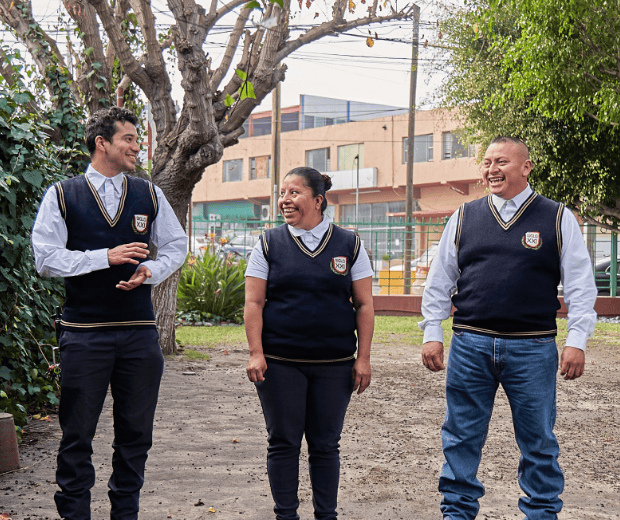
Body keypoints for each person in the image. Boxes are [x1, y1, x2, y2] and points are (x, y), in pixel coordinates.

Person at [420, 136, 598, 520]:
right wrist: (432, 331)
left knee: (538, 442)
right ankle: (457, 513)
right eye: (486, 162)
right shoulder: (465, 216)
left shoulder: (556, 216)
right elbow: (439, 280)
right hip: (470, 345)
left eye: (501, 161)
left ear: (526, 167)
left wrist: (577, 340)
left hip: (532, 348)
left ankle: (541, 513)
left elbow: (581, 285)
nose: (491, 169)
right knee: (461, 438)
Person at [31, 106, 187, 520]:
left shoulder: (149, 194)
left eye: (137, 140)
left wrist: (150, 270)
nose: (137, 146)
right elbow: (45, 259)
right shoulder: (63, 194)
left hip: (139, 334)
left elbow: (177, 245)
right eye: (129, 139)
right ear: (102, 144)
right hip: (84, 332)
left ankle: (125, 514)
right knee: (77, 435)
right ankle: (75, 514)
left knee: (136, 435)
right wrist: (106, 256)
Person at [244, 166, 375, 520]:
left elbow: (364, 304)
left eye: (294, 193)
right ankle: (286, 515)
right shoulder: (269, 243)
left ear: (318, 200)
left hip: (335, 365)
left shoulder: (349, 243)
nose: (285, 200)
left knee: (325, 445)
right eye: (282, 193)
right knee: (284, 442)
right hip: (280, 362)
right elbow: (253, 302)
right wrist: (256, 353)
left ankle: (325, 515)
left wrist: (362, 358)